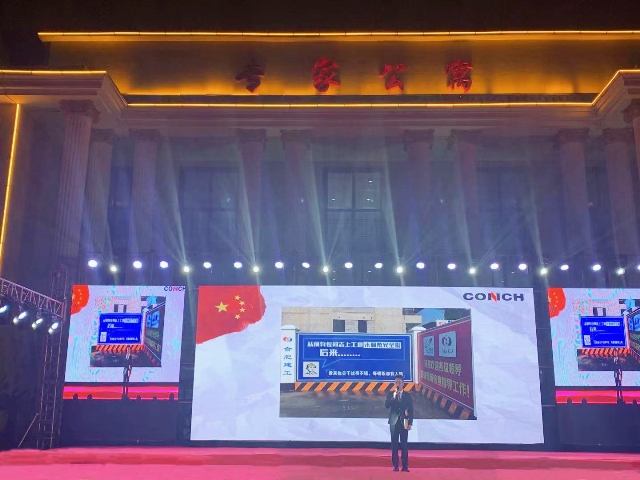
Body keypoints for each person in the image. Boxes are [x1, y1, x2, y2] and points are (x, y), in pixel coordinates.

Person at [385, 374, 414, 472]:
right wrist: (394, 398)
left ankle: (405, 466)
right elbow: (386, 406)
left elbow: (411, 410)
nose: (398, 384)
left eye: (399, 382)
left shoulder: (407, 396)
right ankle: (395, 466)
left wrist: (410, 423)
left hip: (404, 422)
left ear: (403, 383)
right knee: (394, 445)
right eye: (396, 382)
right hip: (393, 422)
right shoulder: (391, 394)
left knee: (404, 444)